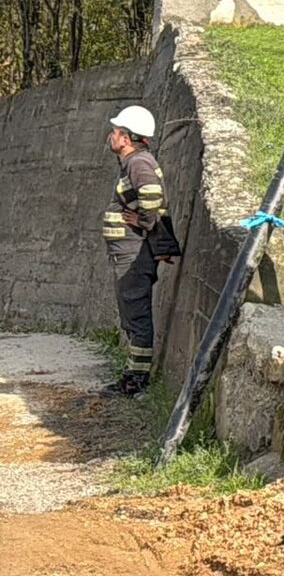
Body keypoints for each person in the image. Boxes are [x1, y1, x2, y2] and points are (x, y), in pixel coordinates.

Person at [101, 105, 177, 396]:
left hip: (134, 254)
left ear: (126, 137)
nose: (111, 136)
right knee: (131, 315)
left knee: (137, 315)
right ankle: (132, 374)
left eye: (115, 132)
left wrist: (144, 222)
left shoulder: (139, 163)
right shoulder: (133, 162)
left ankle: (135, 381)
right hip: (128, 253)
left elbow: (152, 194)